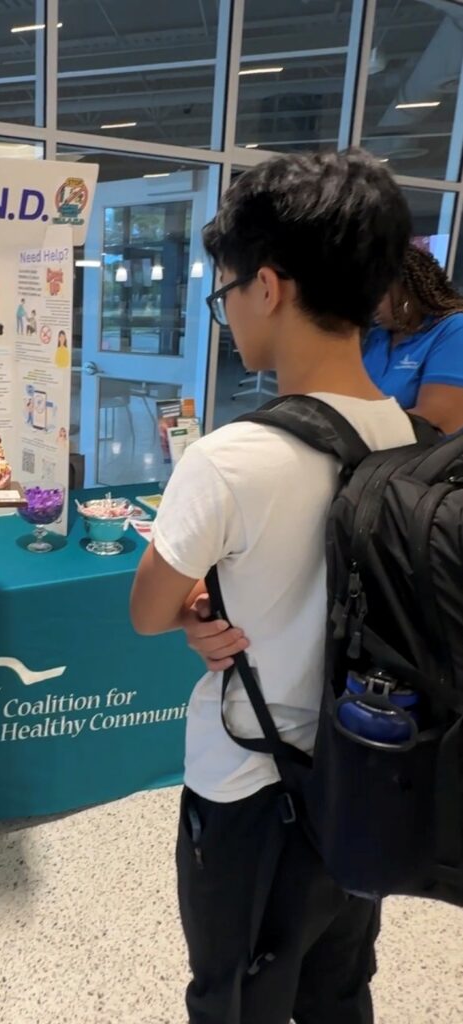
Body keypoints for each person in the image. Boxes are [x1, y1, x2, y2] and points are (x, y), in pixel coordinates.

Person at [130, 148, 415, 1024]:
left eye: (223, 294)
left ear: (268, 287)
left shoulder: (229, 458)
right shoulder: (399, 429)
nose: (226, 318)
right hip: (364, 777)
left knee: (235, 988)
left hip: (249, 785)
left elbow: (145, 609)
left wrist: (192, 612)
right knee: (338, 979)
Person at [364, 243, 463, 434]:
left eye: (377, 294)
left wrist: (352, 429)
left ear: (404, 290)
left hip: (419, 459)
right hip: (368, 457)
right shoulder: (375, 337)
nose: (371, 304)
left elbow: (437, 421)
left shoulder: (453, 329)